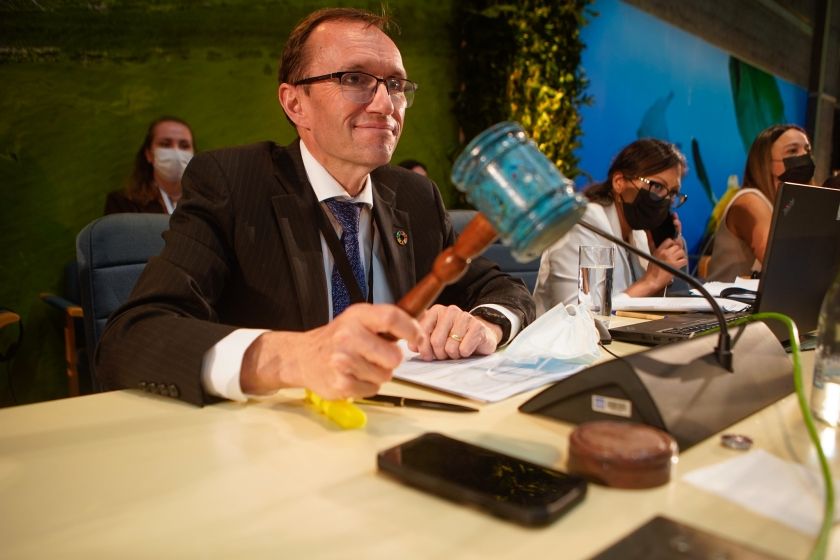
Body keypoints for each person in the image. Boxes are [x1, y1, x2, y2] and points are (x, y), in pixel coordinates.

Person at [96, 8, 535, 406]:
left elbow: (505, 292)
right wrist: (294, 357)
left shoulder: (415, 196)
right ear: (294, 103)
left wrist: (484, 324)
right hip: (276, 445)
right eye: (355, 79)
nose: (386, 105)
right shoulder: (232, 182)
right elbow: (131, 337)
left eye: (396, 85)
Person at [532, 138, 689, 315]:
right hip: (563, 340)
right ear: (619, 182)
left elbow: (638, 309)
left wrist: (660, 272)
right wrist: (650, 280)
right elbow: (576, 316)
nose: (665, 199)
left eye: (673, 193)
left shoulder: (639, 234)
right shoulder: (582, 223)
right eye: (657, 186)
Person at [706, 124, 813, 281]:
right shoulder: (750, 200)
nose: (804, 156)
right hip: (727, 303)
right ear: (767, 163)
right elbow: (777, 258)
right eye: (792, 151)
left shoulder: (790, 206)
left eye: (808, 150)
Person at [104, 116, 195, 215]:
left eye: (184, 146)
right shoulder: (123, 203)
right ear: (149, 154)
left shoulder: (208, 202)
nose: (176, 152)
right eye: (165, 144)